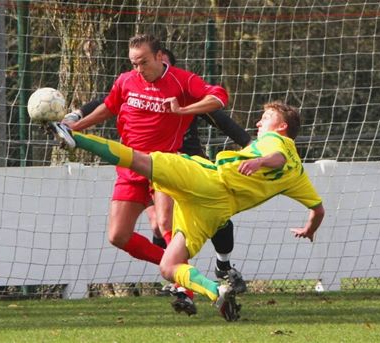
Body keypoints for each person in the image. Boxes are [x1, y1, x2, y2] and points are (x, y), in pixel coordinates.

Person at [48, 100, 325, 321]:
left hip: (208, 180)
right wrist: (309, 229)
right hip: (214, 210)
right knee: (169, 267)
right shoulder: (299, 175)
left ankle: (75, 138)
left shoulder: (277, 142)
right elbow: (318, 209)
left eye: (265, 119)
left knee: (139, 160)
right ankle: (217, 291)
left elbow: (276, 157)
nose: (258, 122)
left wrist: (261, 162)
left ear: (282, 126)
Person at [65, 48, 251, 302]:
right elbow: (108, 102)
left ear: (163, 63)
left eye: (147, 63)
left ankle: (219, 267)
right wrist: (75, 119)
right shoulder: (131, 82)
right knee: (129, 232)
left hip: (181, 165)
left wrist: (251, 144)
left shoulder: (183, 88)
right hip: (137, 165)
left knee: (198, 219)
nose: (142, 69)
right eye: (136, 63)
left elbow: (219, 115)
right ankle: (180, 273)